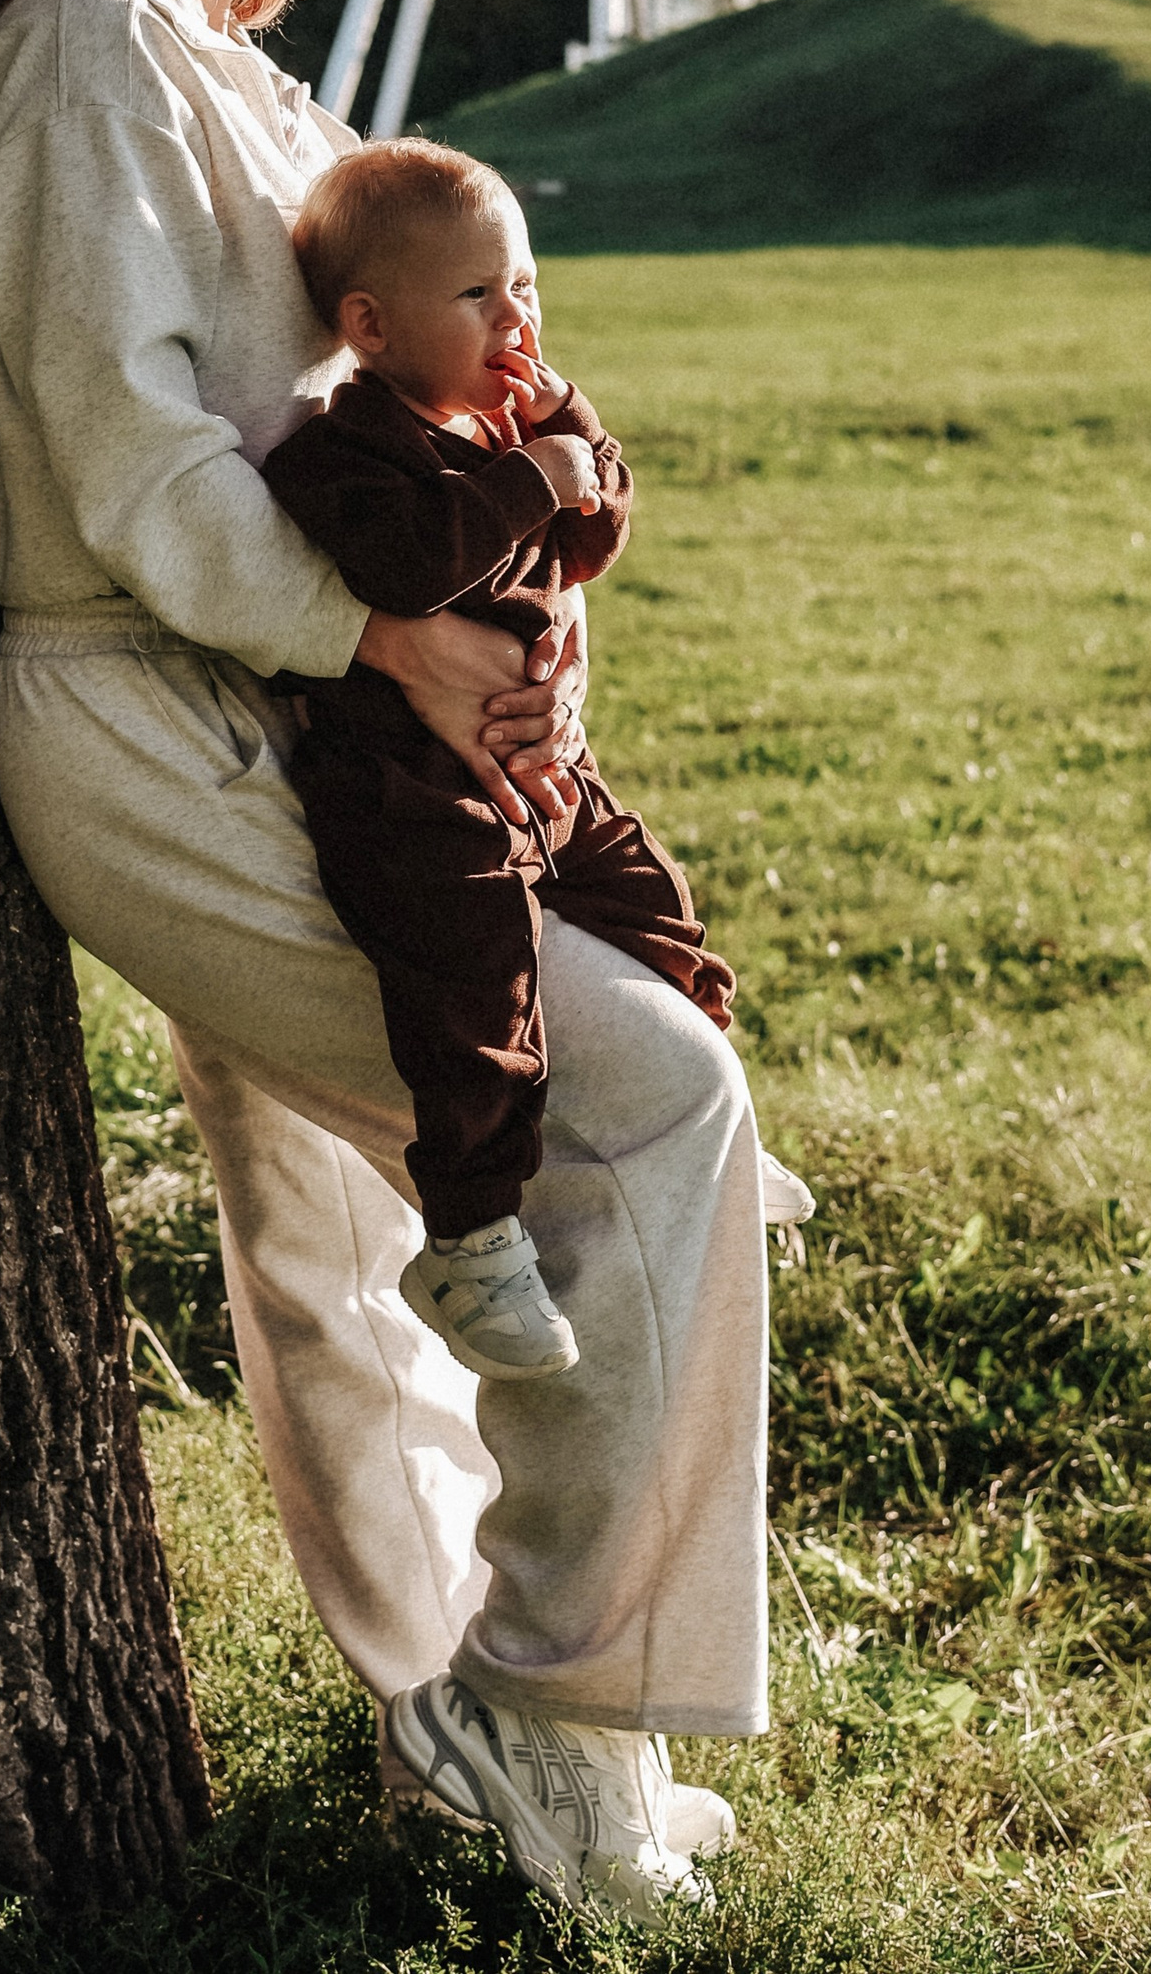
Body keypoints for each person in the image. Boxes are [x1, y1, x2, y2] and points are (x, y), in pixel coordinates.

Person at [0, 0, 775, 1921]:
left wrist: (504, 626)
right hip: (143, 700)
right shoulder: (83, 52)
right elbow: (133, 464)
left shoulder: (239, 76)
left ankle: (461, 1722)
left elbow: (375, 405)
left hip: (305, 694)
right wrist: (392, 640)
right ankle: (545, 1698)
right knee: (630, 1097)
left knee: (338, 1247)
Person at [263, 137, 738, 1384]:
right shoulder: (336, 455)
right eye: (477, 294)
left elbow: (593, 532)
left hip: (536, 769)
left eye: (523, 283)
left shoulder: (508, 425)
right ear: (368, 324)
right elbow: (410, 567)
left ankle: (708, 1122)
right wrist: (533, 471)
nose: (514, 314)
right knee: (475, 989)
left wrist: (563, 426)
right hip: (411, 791)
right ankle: (471, 1233)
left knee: (649, 893)